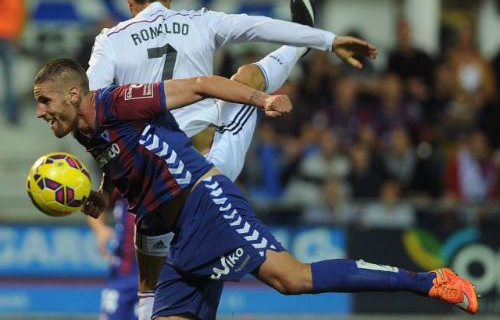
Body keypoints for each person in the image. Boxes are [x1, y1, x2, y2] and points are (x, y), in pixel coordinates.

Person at [34, 59, 479, 319]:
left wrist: (261, 100)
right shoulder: (86, 132)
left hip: (205, 204)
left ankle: (425, 281)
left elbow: (198, 85)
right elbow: (127, 164)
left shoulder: (116, 101)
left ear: (74, 95)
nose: (40, 112)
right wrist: (104, 196)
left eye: (45, 101)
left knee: (292, 279)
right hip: (178, 241)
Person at [86, 0, 378, 318]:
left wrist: (106, 185)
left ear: (129, 1)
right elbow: (260, 26)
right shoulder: (201, 21)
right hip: (209, 163)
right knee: (246, 79)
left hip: (156, 182)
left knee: (151, 289)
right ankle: (301, 43)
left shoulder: (110, 41)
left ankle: (300, 44)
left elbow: (95, 111)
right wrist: (329, 42)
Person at [88, 197, 139, 320]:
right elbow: (94, 205)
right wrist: (100, 229)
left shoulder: (168, 184)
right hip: (120, 274)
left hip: (155, 278)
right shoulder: (122, 181)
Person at [0, 0, 25, 125]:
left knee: (10, 77)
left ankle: (11, 113)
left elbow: (19, 10)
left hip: (8, 34)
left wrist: (17, 34)